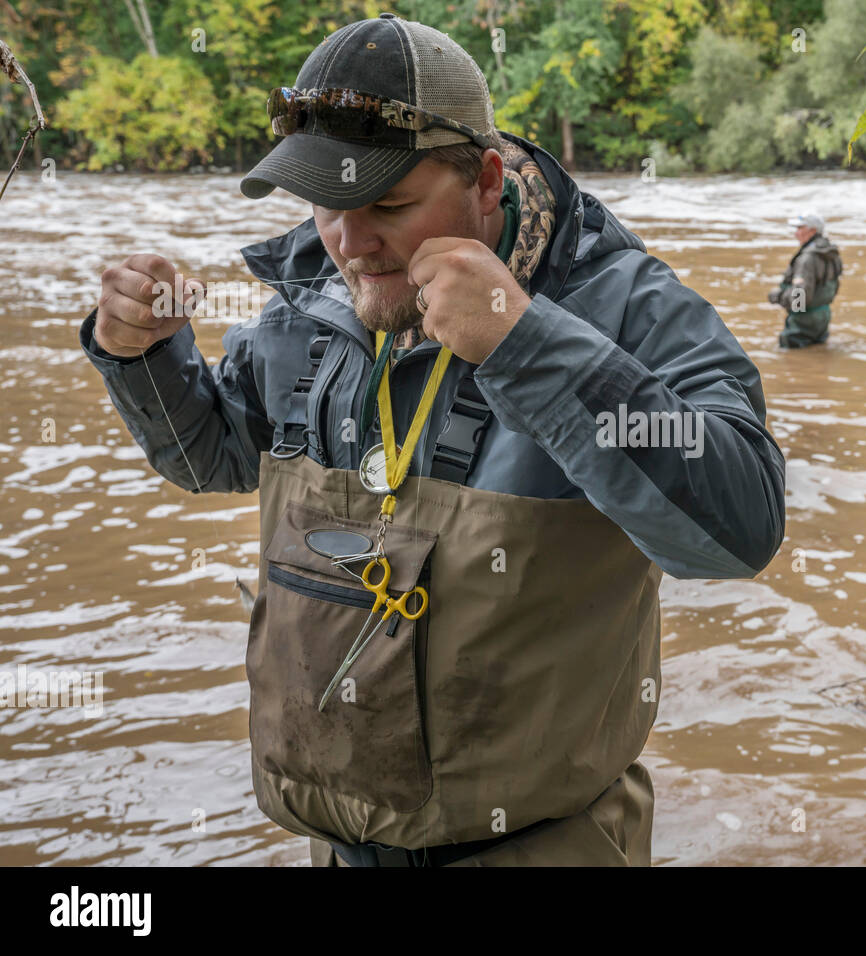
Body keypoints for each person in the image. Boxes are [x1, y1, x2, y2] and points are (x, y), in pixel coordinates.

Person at [79, 14, 785, 867]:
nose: (348, 243)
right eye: (327, 207)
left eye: (389, 204)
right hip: (338, 846)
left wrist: (529, 346)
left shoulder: (624, 303)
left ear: (486, 181)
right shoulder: (313, 291)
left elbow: (739, 532)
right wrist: (144, 358)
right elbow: (217, 457)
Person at [769, 212, 842, 348]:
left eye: (800, 228)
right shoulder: (831, 251)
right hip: (823, 314)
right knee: (817, 352)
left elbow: (799, 301)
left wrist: (779, 296)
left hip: (804, 319)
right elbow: (835, 285)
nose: (796, 233)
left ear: (813, 231)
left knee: (790, 358)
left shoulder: (806, 258)